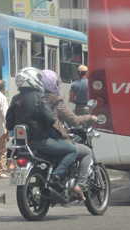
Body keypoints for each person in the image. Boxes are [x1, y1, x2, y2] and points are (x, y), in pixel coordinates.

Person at [6, 67, 78, 189]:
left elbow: (9, 124)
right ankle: (56, 176)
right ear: (33, 80)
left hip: (23, 145)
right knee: (73, 150)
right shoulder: (39, 96)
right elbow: (50, 118)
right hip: (41, 141)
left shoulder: (15, 99)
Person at [41, 69, 98, 199]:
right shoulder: (57, 101)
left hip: (43, 138)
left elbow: (72, 99)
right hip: (83, 114)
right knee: (86, 151)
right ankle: (80, 185)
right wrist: (90, 117)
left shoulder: (38, 99)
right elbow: (75, 120)